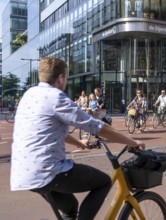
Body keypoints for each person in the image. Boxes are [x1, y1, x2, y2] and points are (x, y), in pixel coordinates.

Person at [10, 57, 145, 220]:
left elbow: (51, 129)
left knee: (70, 208)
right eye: (66, 77)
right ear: (60, 78)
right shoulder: (55, 97)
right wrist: (133, 142)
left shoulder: (29, 95)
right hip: (48, 170)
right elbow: (98, 127)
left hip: (22, 172)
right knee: (104, 182)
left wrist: (78, 142)